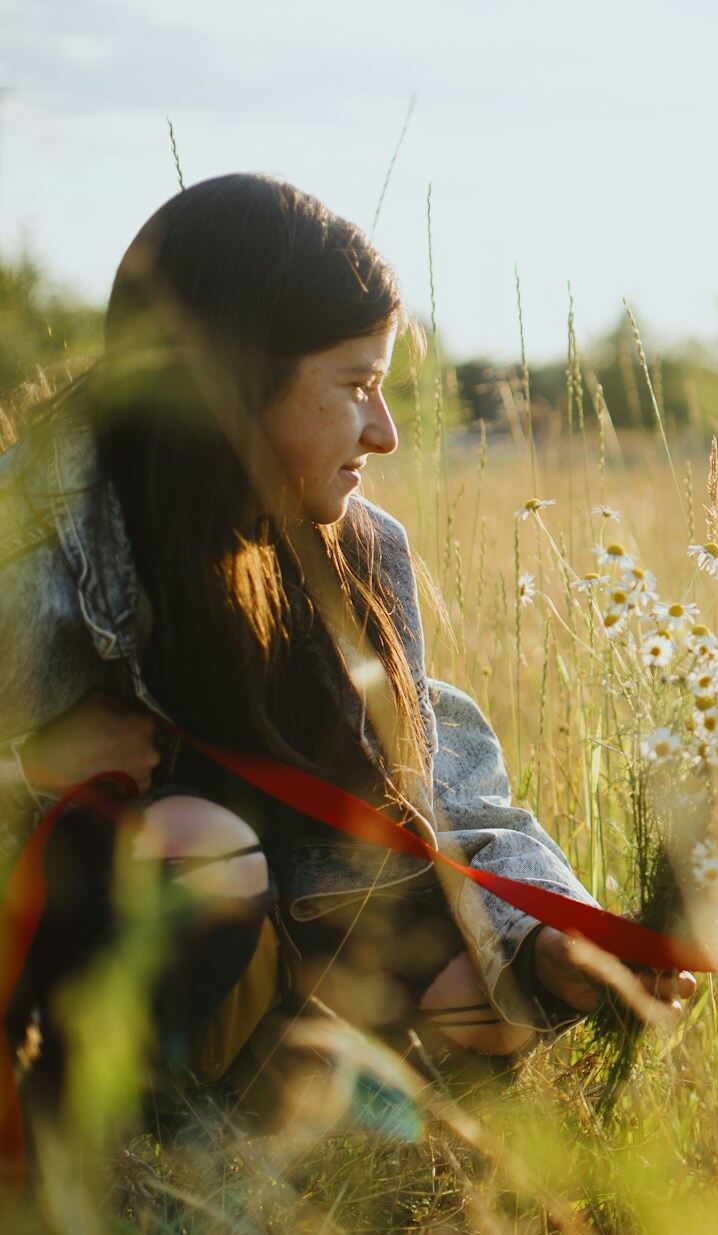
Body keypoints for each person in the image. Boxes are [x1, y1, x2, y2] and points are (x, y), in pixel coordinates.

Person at [0, 173, 682, 1114]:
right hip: (65, 970)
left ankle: (269, 1099)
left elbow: (431, 780)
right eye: (357, 385)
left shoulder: (360, 549)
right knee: (200, 849)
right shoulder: (27, 549)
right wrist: (25, 771)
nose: (387, 433)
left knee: (492, 998)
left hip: (270, 939)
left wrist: (544, 938)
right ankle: (114, 1144)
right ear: (233, 385)